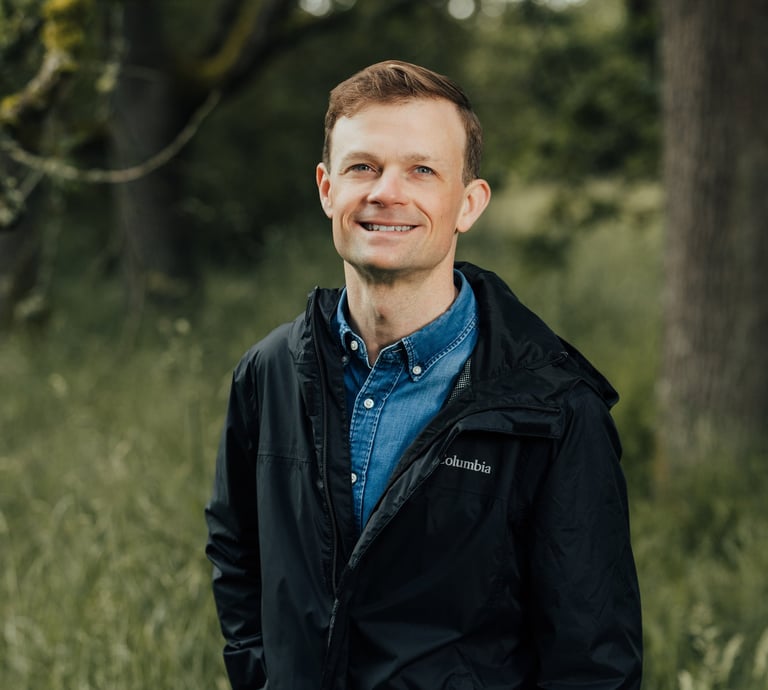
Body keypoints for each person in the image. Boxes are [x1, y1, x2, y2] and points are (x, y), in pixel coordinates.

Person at [205, 59, 642, 690]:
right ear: (327, 188)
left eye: (421, 170)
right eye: (363, 167)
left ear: (468, 203)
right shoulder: (269, 371)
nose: (386, 191)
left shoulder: (552, 409)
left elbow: (594, 659)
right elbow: (238, 555)